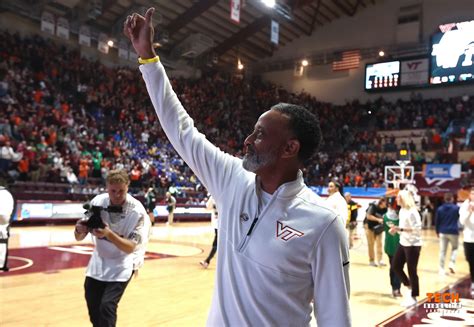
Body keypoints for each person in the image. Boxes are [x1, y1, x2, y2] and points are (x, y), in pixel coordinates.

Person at [124, 8, 351, 326]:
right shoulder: (232, 178)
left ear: (290, 148)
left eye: (260, 135)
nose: (247, 140)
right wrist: (148, 58)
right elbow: (181, 130)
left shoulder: (324, 224)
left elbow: (335, 318)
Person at [74, 169, 150, 327]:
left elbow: (130, 248)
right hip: (99, 259)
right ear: (106, 187)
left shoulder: (137, 212)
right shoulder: (97, 202)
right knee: (92, 301)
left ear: (128, 187)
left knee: (107, 306)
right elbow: (79, 237)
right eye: (112, 191)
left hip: (123, 262)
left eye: (121, 191)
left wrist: (108, 234)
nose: (116, 195)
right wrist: (79, 229)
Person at [389, 189, 422, 307]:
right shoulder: (402, 210)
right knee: (395, 266)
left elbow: (417, 229)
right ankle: (409, 286)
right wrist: (396, 230)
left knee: (412, 270)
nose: (396, 199)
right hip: (403, 242)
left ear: (403, 198)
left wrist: (400, 229)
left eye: (398, 197)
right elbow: (403, 227)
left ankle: (414, 296)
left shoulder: (413, 212)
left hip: (413, 244)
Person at [435, 192, 459, 275]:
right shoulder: (456, 208)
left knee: (442, 251)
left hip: (442, 231)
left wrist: (437, 231)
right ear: (452, 198)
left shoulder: (440, 209)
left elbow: (437, 221)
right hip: (453, 231)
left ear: (444, 199)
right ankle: (451, 263)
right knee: (455, 248)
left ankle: (441, 269)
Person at [383, 198, 401, 297]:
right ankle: (395, 288)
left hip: (401, 245)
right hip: (391, 245)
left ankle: (396, 288)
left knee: (397, 267)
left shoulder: (402, 215)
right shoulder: (386, 216)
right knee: (395, 267)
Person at [365, 197, 387, 267]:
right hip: (369, 227)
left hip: (378, 228)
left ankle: (380, 260)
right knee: (371, 244)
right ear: (382, 202)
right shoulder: (373, 206)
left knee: (379, 244)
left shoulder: (385, 209)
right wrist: (378, 219)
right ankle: (371, 261)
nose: (387, 204)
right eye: (386, 202)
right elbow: (368, 216)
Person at [459, 187, 474, 293]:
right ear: (469, 195)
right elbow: (462, 221)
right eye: (472, 193)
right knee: (471, 261)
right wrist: (469, 211)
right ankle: (473, 281)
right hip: (468, 238)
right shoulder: (465, 205)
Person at [200, 195, 218, 269]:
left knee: (216, 244)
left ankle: (207, 261)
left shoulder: (213, 196)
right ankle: (207, 261)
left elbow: (207, 206)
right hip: (224, 224)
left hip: (218, 224)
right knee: (217, 244)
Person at [0, 185, 14, 272]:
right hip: (3, 223)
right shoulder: (6, 193)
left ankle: (1, 264)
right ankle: (1, 264)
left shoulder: (4, 194)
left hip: (3, 222)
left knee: (2, 238)